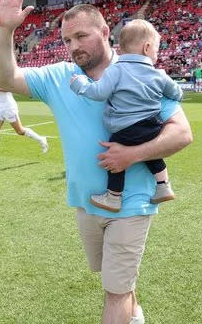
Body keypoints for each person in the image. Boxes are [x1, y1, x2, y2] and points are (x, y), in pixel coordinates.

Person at [0, 0, 192, 324]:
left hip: (133, 201)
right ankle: (133, 311)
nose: (73, 46)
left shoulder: (142, 70)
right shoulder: (61, 77)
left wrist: (131, 155)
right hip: (86, 201)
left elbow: (182, 133)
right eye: (66, 40)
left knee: (113, 289)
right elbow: (5, 76)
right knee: (109, 275)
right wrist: (5, 29)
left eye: (81, 35)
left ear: (104, 32)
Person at [69, 19, 182, 212]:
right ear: (147, 48)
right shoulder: (159, 74)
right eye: (157, 49)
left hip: (125, 128)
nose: (157, 54)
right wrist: (175, 94)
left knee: (114, 155)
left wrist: (80, 85)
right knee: (151, 153)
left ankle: (114, 196)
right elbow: (176, 92)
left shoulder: (116, 70)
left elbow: (99, 93)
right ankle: (163, 185)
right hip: (153, 126)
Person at [0, 84, 48, 167]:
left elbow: (11, 87)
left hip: (8, 106)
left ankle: (41, 139)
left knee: (20, 131)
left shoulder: (3, 74)